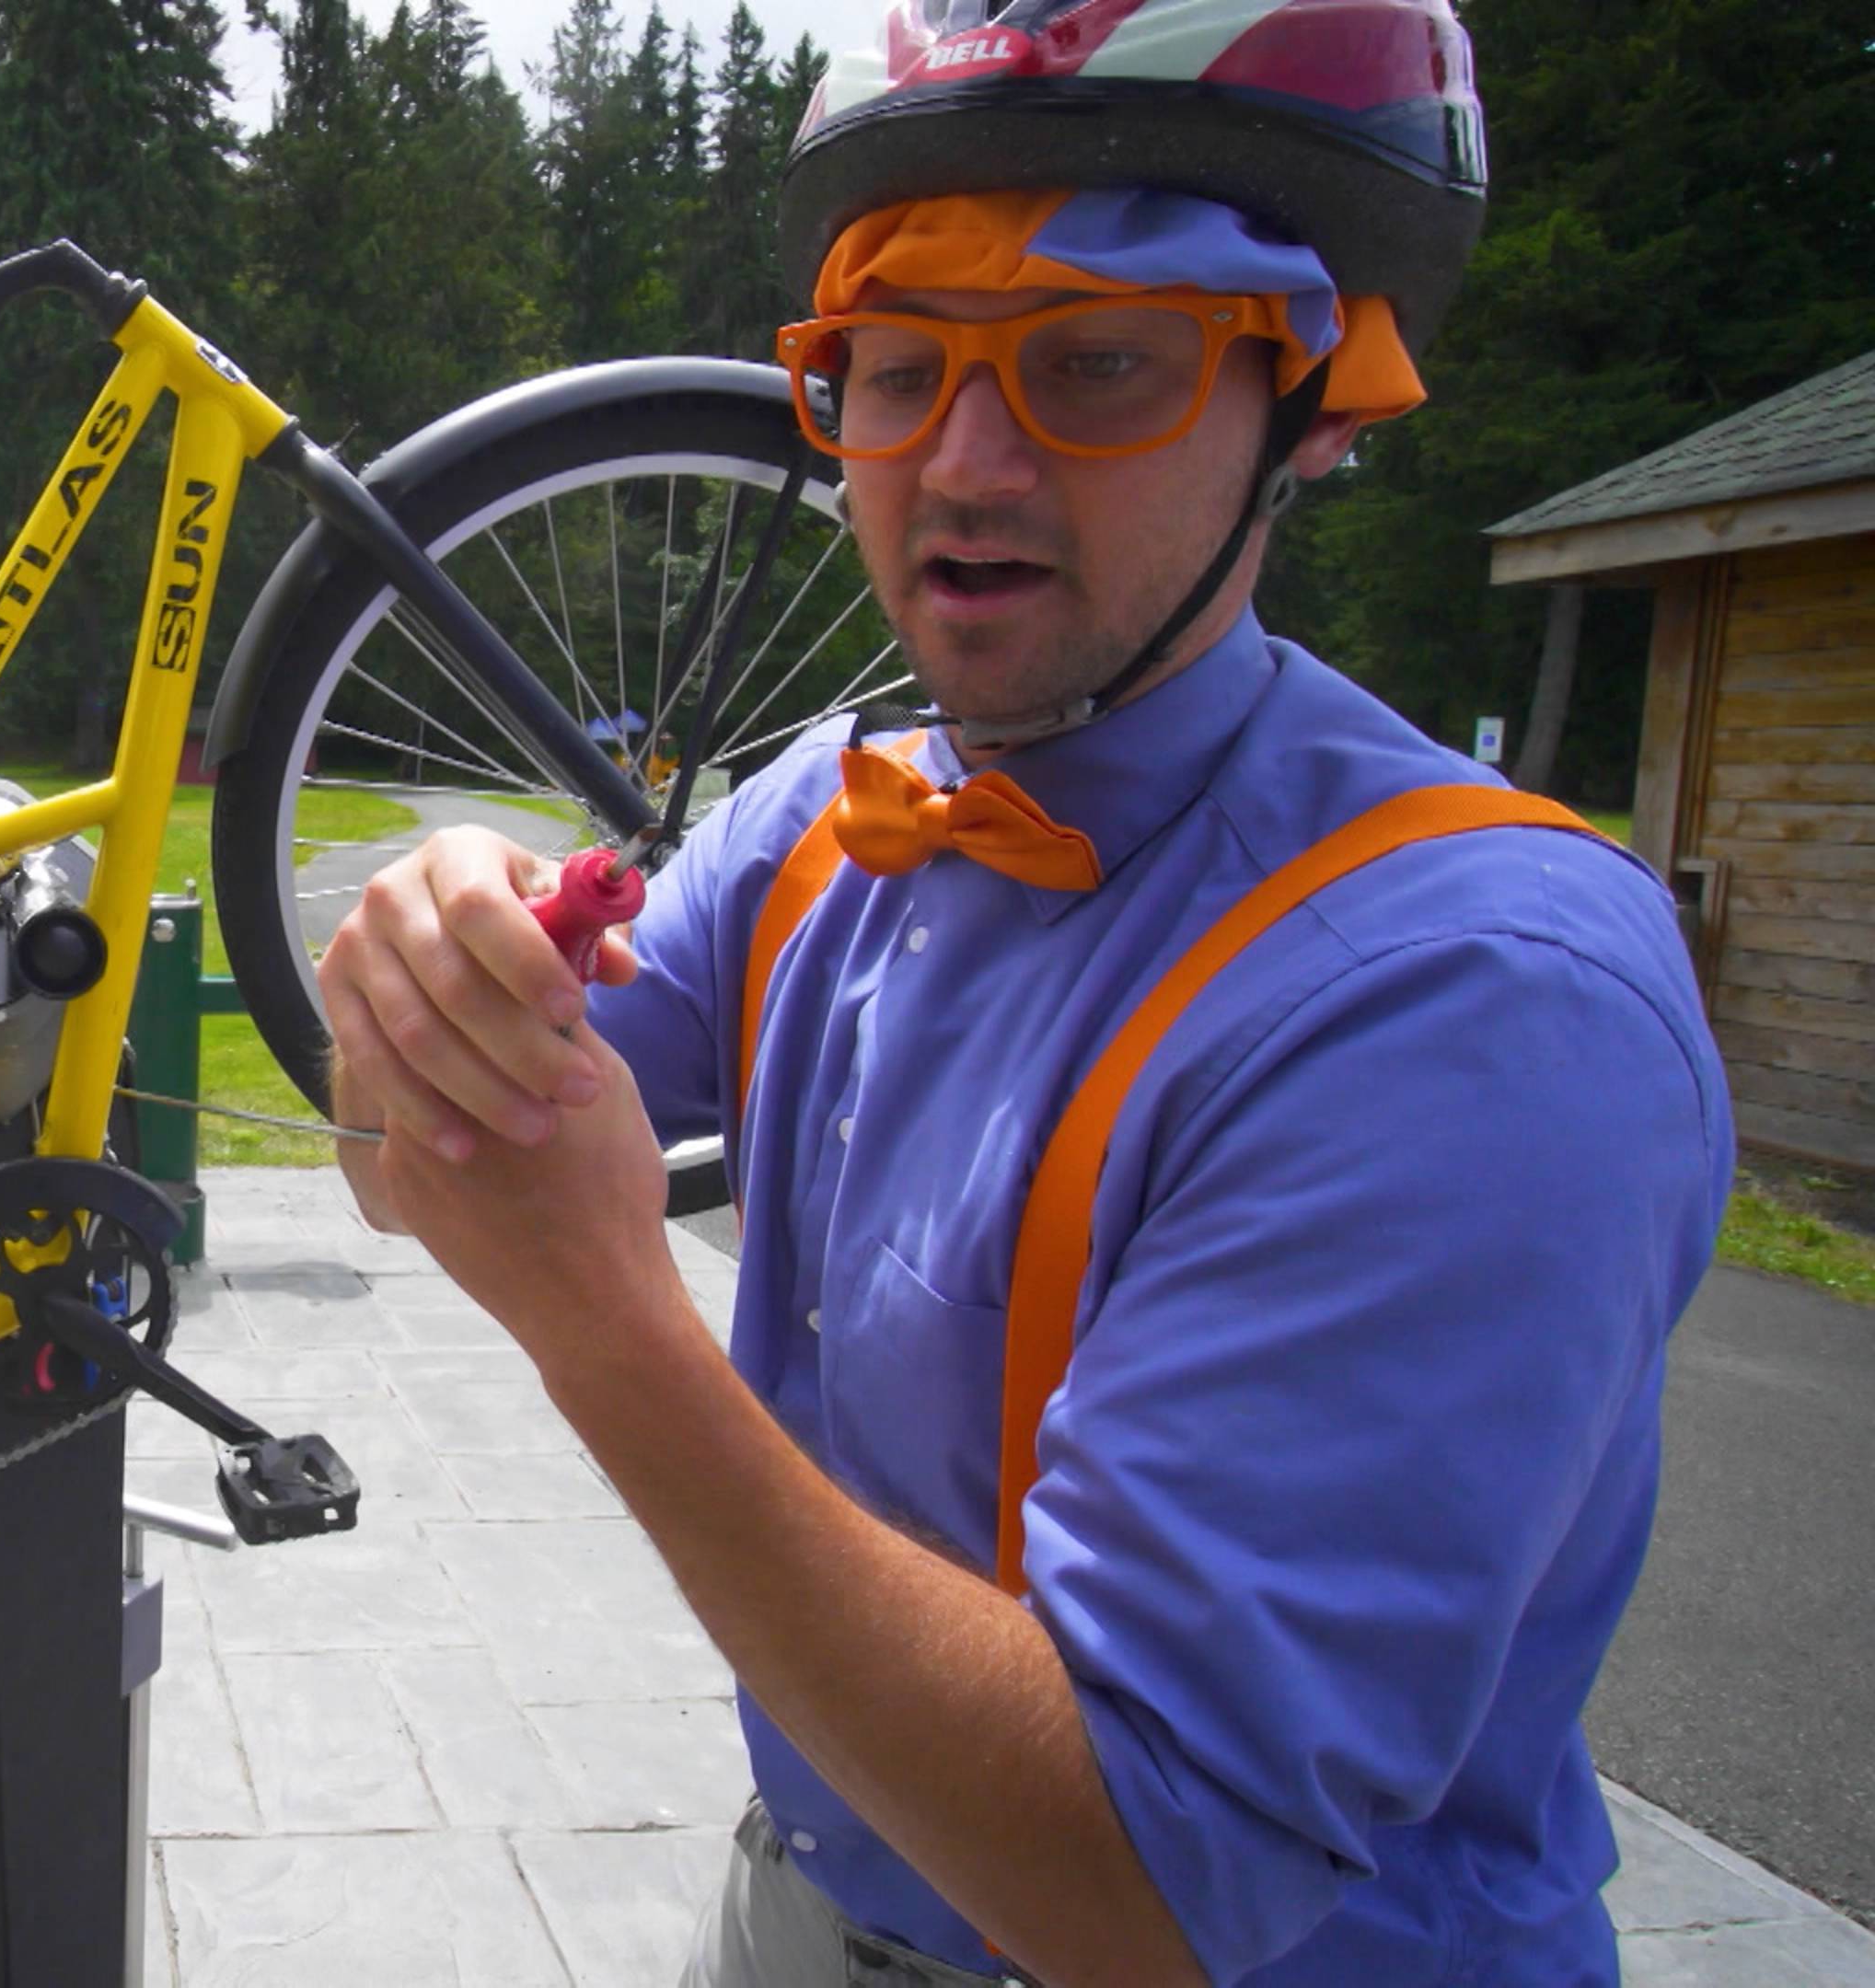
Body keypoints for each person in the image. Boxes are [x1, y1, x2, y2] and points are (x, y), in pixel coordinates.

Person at [316, 1, 1734, 1982]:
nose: (964, 466)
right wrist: (422, 978)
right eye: (899, 369)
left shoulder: (1475, 1000)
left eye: (1096, 366)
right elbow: (397, 1162)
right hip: (809, 1902)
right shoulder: (832, 812)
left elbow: (1149, 1885)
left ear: (1313, 408)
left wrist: (605, 1323)